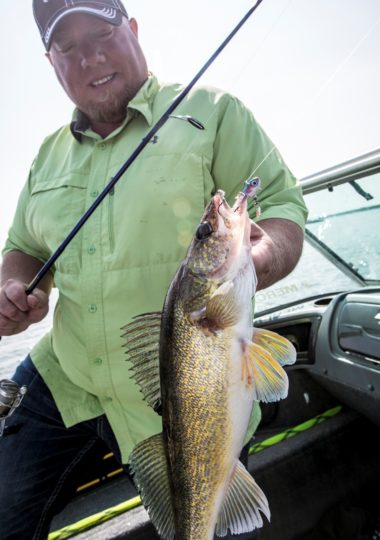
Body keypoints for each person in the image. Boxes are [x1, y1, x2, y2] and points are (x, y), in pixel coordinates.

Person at [0, 1, 308, 538]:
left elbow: (284, 213)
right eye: (67, 47)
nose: (90, 56)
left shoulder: (213, 111)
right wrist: (11, 287)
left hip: (177, 395)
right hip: (65, 376)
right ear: (50, 63)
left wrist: (248, 266)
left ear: (134, 30)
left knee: (207, 512)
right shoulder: (45, 157)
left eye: (102, 32)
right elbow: (22, 247)